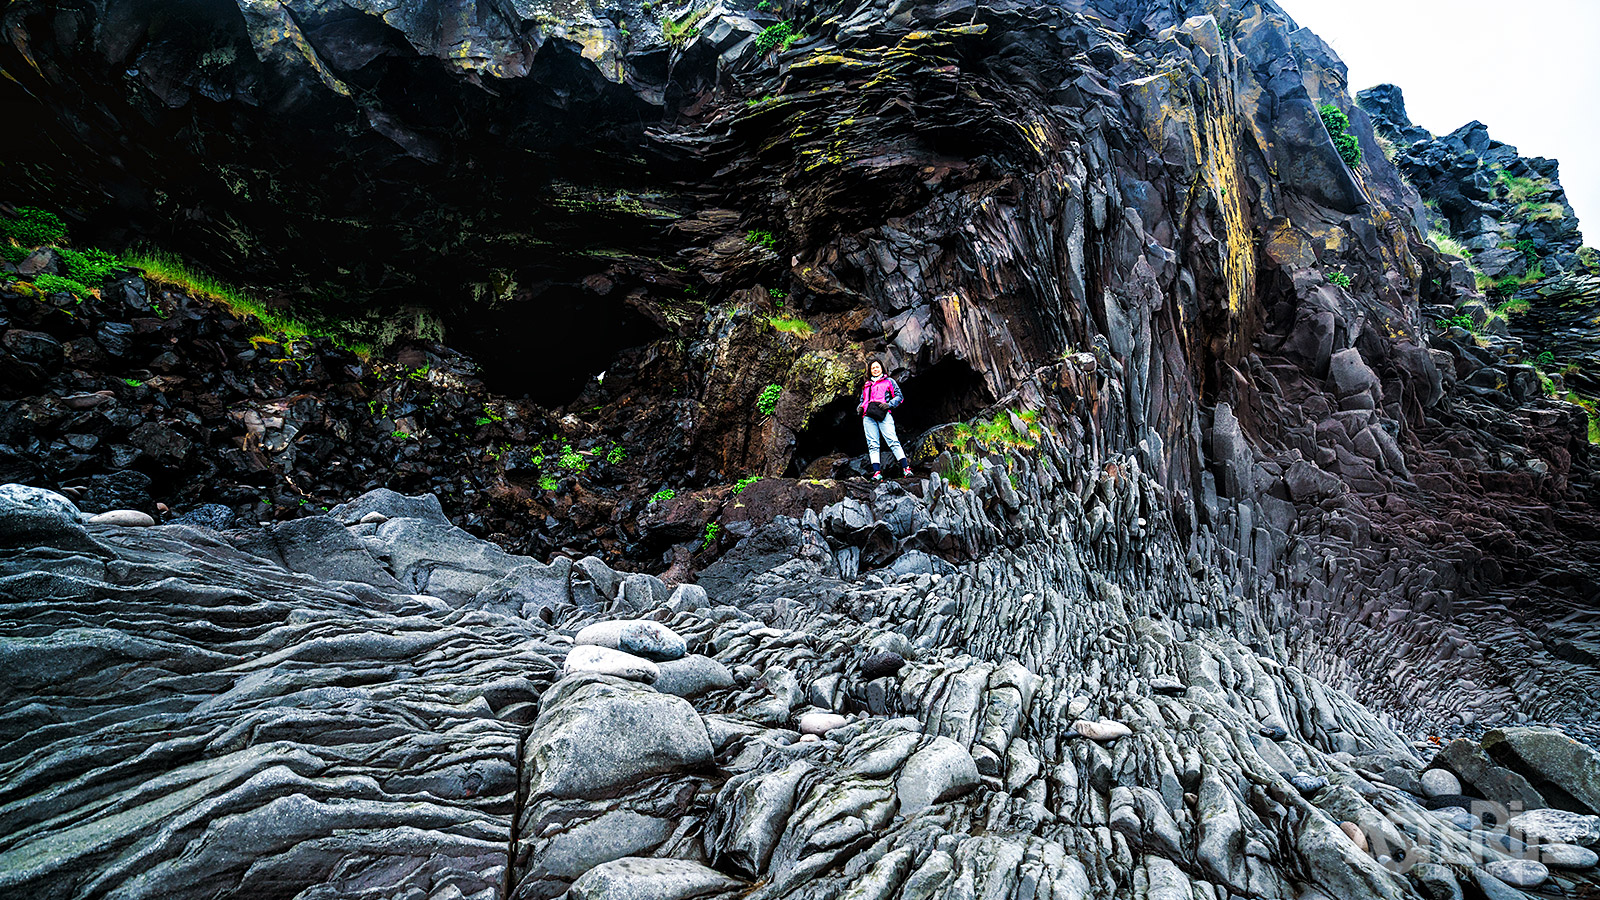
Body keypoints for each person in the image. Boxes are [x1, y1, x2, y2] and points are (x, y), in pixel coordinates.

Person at [858, 358, 913, 480]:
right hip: (868, 416)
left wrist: (889, 404)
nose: (875, 370)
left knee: (892, 440)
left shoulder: (889, 381)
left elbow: (899, 396)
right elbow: (863, 401)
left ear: (882, 368)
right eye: (873, 368)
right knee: (873, 444)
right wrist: (860, 408)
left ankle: (906, 469)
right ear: (870, 371)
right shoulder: (866, 385)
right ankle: (877, 473)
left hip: (883, 414)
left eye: (877, 367)